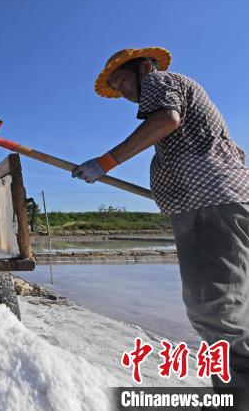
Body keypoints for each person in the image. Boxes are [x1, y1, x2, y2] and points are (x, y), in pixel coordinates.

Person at [72, 47, 249, 397]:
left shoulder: (159, 80)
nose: (121, 91)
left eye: (123, 80)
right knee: (229, 305)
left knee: (215, 309)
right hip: (216, 201)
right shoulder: (185, 94)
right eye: (116, 86)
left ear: (145, 67)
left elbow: (166, 119)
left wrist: (105, 161)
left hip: (210, 202)